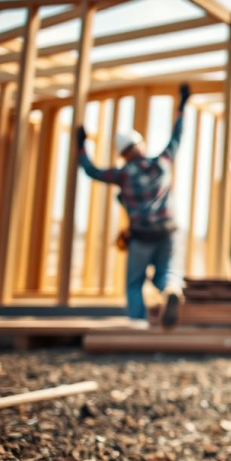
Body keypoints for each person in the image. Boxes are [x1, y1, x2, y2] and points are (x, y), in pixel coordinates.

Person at [77, 83, 190, 328]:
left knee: (134, 282)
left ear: (123, 153)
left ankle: (138, 324)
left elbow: (91, 170)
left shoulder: (123, 174)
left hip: (141, 235)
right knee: (167, 273)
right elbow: (177, 137)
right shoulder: (161, 163)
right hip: (168, 230)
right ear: (140, 145)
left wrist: (81, 146)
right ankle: (171, 289)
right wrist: (181, 107)